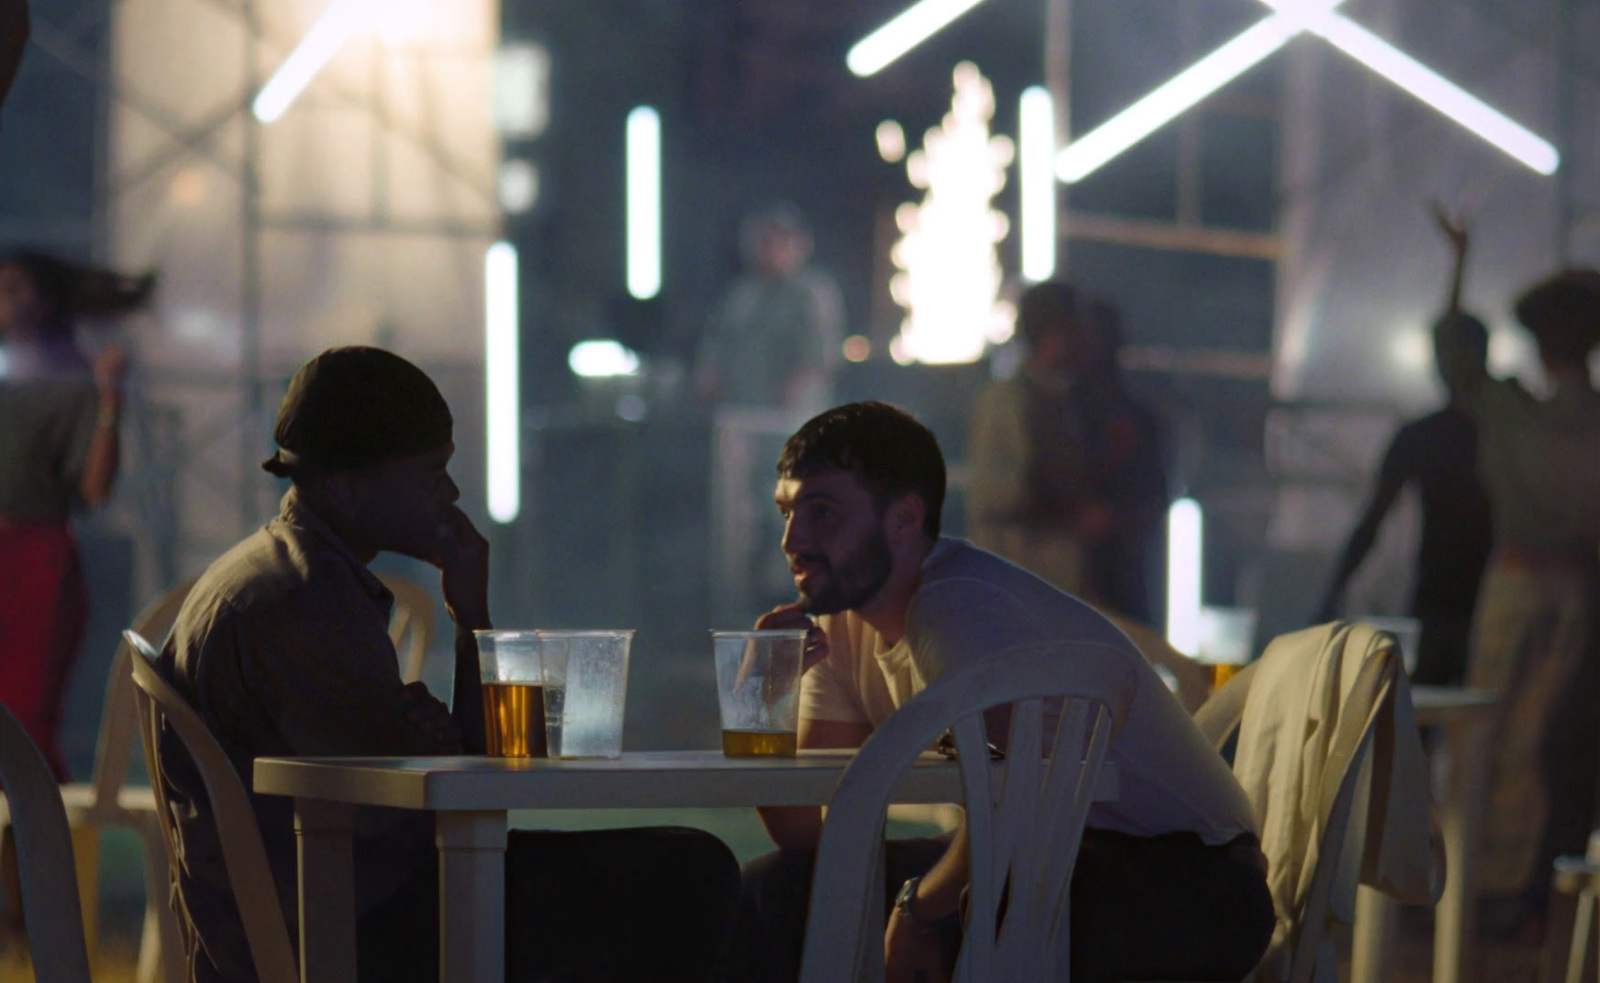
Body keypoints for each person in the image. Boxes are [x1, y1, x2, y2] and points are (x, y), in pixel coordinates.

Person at [156, 347, 740, 983]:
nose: (452, 493)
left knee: (675, 870)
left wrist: (468, 625)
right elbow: (425, 810)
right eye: (431, 472)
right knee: (690, 873)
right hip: (345, 931)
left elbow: (455, 766)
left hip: (330, 908)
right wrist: (427, 744)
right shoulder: (304, 600)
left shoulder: (290, 573)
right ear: (350, 487)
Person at [729, 401, 1274, 983]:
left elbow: (1022, 803)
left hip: (1188, 879)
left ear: (904, 519)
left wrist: (917, 911)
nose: (793, 538)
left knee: (975, 924)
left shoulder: (955, 609)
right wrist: (758, 699)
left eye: (823, 512)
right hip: (1050, 857)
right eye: (787, 512)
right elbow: (813, 835)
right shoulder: (842, 626)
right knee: (781, 891)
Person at [1456, 270, 1600, 933]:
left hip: (1516, 579)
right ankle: (1507, 884)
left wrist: (1462, 265)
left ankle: (1471, 878)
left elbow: (1455, 358)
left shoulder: (1510, 408)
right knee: (1535, 734)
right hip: (1573, 587)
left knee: (1485, 729)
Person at [1317, 211, 1494, 685]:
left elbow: (1371, 524)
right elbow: (1372, 522)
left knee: (1442, 723)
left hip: (1473, 598)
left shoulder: (1459, 433)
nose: (1447, 363)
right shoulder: (1488, 430)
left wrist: (1331, 597)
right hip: (1470, 598)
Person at [0, 250, 150, 778]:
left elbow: (94, 489)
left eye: (16, 288)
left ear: (45, 300)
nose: (4, 300)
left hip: (33, 564)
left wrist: (111, 398)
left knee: (25, 720)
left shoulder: (73, 381)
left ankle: (32, 854)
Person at [695, 202, 844, 414]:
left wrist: (792, 393)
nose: (771, 248)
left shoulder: (812, 294)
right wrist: (709, 375)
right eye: (764, 240)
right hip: (740, 410)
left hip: (791, 416)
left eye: (779, 241)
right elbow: (716, 340)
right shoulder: (741, 293)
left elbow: (818, 357)